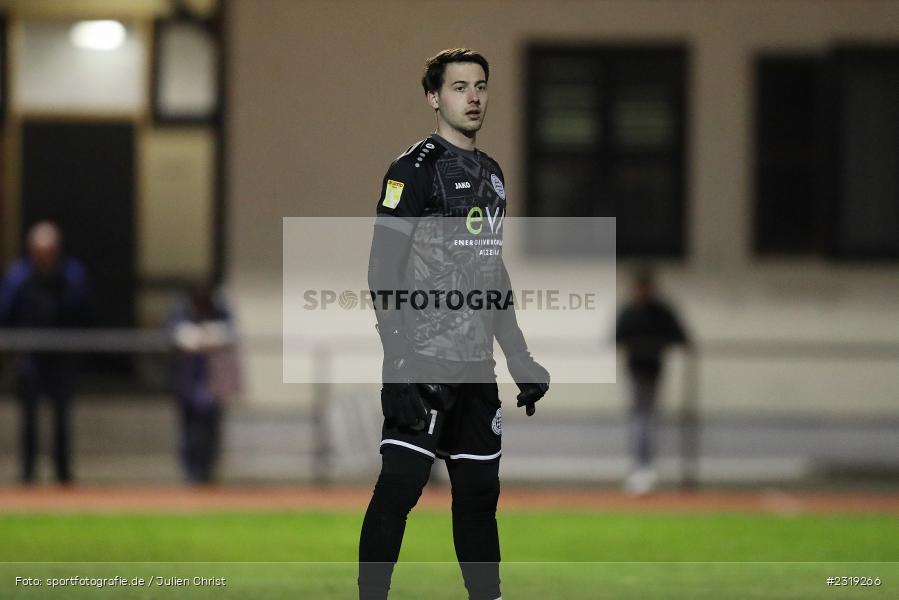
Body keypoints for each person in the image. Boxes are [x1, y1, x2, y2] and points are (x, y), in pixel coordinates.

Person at [358, 48, 550, 600]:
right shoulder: (412, 170)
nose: (473, 97)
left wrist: (518, 356)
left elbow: (492, 271)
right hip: (422, 361)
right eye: (459, 87)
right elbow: (382, 269)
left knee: (480, 498)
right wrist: (397, 361)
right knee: (399, 489)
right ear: (433, 97)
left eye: (481, 86)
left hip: (476, 370)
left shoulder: (492, 174)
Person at [0, 222, 90, 484]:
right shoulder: (19, 276)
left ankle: (62, 474)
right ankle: (28, 474)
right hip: (30, 357)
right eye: (41, 251)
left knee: (61, 418)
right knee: (29, 419)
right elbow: (6, 310)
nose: (47, 256)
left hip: (62, 356)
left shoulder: (72, 274)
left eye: (51, 250)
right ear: (32, 251)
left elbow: (84, 310)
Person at [615, 269, 690, 495]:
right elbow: (617, 337)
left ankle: (645, 467)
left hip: (654, 370)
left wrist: (656, 344)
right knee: (641, 419)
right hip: (635, 370)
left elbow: (680, 336)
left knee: (647, 418)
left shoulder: (660, 312)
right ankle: (641, 467)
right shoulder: (630, 311)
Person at [168, 282, 240, 484]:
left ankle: (207, 472)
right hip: (188, 380)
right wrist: (196, 338)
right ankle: (191, 472)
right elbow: (177, 337)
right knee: (189, 429)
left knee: (210, 429)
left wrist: (210, 336)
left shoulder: (221, 310)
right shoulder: (181, 311)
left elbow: (229, 335)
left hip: (213, 380)